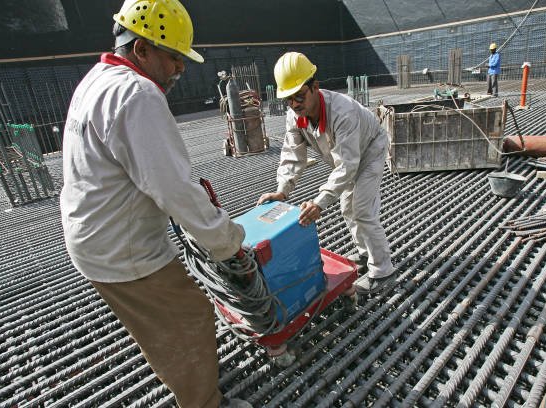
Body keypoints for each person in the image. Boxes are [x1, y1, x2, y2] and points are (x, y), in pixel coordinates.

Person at [60, 0, 251, 407]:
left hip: (93, 237)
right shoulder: (137, 94)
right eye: (173, 58)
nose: (180, 69)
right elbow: (175, 189)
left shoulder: (97, 79)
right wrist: (228, 242)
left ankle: (187, 372)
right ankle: (202, 400)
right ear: (141, 49)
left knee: (153, 322)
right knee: (188, 319)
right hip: (121, 247)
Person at [257, 52, 394, 295]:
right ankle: (365, 254)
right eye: (289, 99)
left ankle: (383, 272)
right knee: (347, 207)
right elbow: (292, 154)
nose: (295, 104)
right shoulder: (295, 116)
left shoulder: (343, 112)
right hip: (347, 157)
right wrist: (282, 190)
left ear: (315, 87)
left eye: (299, 96)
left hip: (370, 148)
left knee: (362, 209)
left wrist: (319, 202)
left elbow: (347, 164)